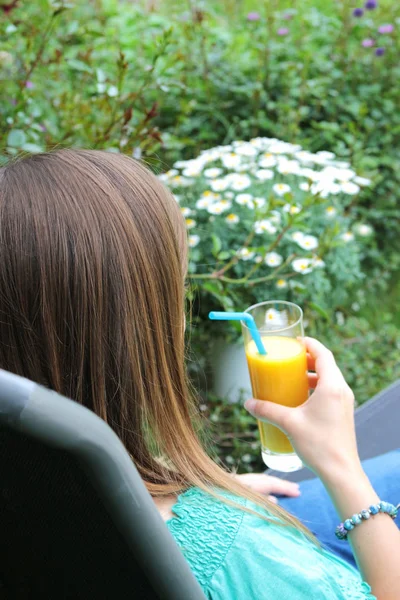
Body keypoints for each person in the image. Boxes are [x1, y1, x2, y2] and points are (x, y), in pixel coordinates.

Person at [0, 150, 398, 600]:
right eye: (179, 289)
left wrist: (191, 494)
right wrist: (341, 465)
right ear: (137, 333)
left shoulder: (32, 491)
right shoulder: (239, 554)